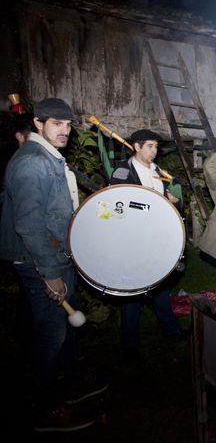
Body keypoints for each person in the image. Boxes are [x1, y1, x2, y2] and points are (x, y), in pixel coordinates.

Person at [0, 98, 107, 432]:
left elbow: (77, 184)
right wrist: (49, 274)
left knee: (66, 325)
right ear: (38, 123)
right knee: (51, 334)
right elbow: (29, 225)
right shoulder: (32, 163)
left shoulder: (50, 156)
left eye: (68, 125)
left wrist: (110, 193)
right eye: (56, 124)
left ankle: (72, 381)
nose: (64, 131)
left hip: (58, 255)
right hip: (39, 260)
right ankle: (45, 407)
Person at [109, 129, 185, 359]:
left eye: (156, 147)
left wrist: (173, 201)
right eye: (150, 146)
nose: (154, 152)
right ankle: (130, 344)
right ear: (137, 146)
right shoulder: (123, 171)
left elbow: (173, 205)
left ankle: (170, 330)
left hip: (156, 239)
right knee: (132, 290)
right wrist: (154, 203)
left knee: (159, 285)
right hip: (132, 241)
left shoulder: (158, 171)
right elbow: (117, 205)